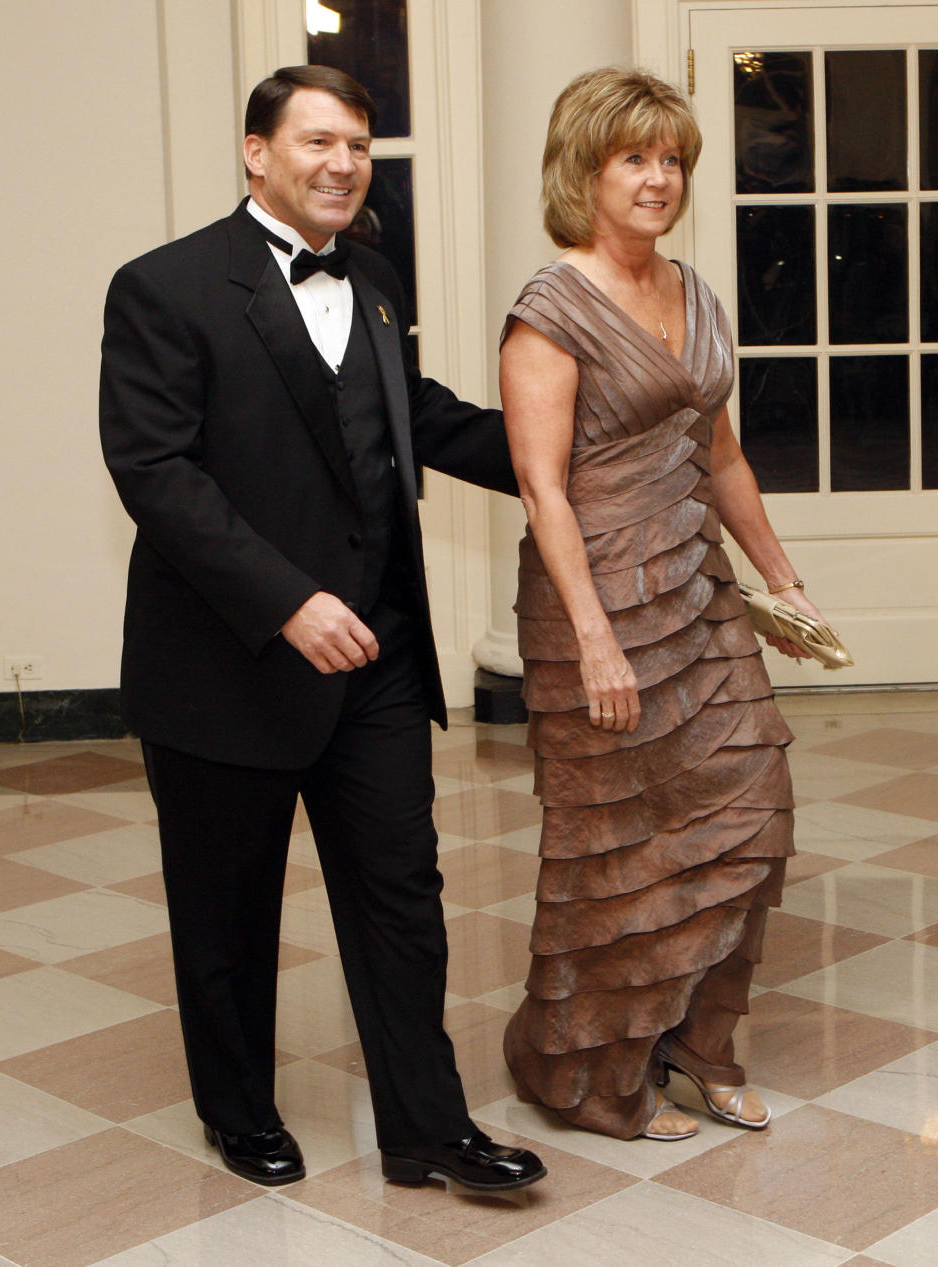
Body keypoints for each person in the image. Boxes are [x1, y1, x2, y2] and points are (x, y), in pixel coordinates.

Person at [99, 64, 545, 1193]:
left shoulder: (379, 278)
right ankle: (239, 1112)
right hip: (226, 662)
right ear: (257, 153)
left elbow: (411, 414)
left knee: (405, 899)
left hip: (381, 660)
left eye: (357, 143)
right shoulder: (164, 286)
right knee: (228, 915)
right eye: (318, 142)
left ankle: (427, 1128)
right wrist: (287, 601)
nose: (344, 162)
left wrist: (558, 453)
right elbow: (156, 472)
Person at [499, 67, 822, 1142]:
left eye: (671, 158)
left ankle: (704, 1043)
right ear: (583, 171)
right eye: (632, 157)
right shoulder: (549, 310)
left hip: (695, 586)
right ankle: (590, 1070)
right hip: (596, 602)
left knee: (751, 818)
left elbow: (718, 449)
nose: (657, 178)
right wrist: (594, 643)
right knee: (620, 844)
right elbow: (543, 487)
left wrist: (782, 577)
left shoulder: (695, 291)